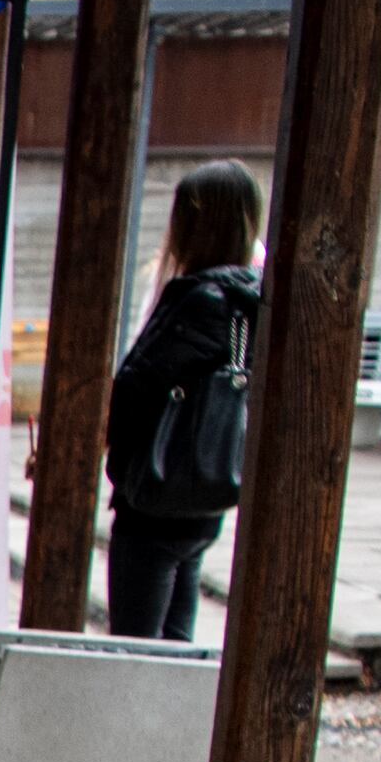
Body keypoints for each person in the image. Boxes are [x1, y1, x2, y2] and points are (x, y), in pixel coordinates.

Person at [103, 161, 265, 641]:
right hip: (205, 491)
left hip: (155, 494)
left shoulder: (199, 299)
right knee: (176, 642)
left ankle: (140, 720)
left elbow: (137, 385)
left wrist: (110, 445)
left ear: (195, 223)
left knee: (137, 647)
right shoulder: (248, 297)